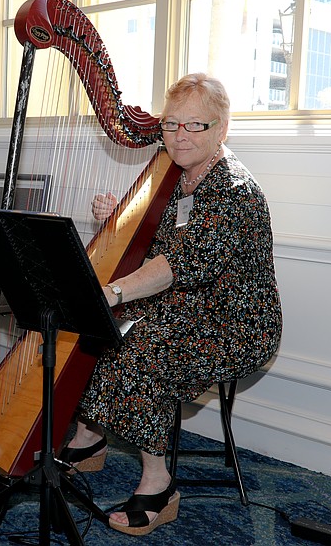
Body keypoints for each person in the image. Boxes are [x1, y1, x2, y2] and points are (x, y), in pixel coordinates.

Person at [60, 73, 283, 536]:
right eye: (170, 124)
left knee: (137, 345)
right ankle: (89, 435)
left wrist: (115, 291)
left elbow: (177, 264)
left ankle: (159, 484)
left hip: (234, 322)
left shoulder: (233, 192)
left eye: (194, 126)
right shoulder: (176, 175)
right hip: (182, 306)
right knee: (99, 327)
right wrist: (117, 212)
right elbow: (153, 237)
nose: (179, 136)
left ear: (222, 130)